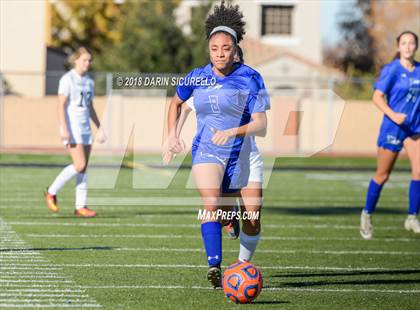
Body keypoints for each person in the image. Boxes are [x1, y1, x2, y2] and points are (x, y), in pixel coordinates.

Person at [164, 1, 268, 288]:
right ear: (208, 50)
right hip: (208, 150)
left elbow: (262, 126)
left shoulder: (250, 78)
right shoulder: (198, 76)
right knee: (211, 203)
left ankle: (243, 266)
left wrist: (234, 131)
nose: (220, 53)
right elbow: (177, 103)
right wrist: (171, 136)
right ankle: (215, 265)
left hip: (244, 153)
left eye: (226, 48)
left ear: (235, 49)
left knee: (253, 219)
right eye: (214, 49)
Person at [360, 30, 420, 239]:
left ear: (416, 47)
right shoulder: (392, 70)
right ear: (398, 47)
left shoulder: (419, 70)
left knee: (419, 171)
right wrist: (393, 115)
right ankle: (367, 214)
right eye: (404, 43)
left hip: (414, 130)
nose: (408, 46)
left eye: (411, 43)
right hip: (393, 128)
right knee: (382, 175)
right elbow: (377, 97)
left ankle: (412, 217)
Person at [44, 47, 106, 218]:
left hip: (85, 128)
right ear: (76, 60)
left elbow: (90, 107)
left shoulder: (89, 81)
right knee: (79, 164)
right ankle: (51, 191)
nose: (88, 63)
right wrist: (63, 128)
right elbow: (60, 105)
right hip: (72, 128)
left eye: (89, 60)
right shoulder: (67, 79)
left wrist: (99, 127)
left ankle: (80, 206)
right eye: (85, 60)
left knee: (83, 167)